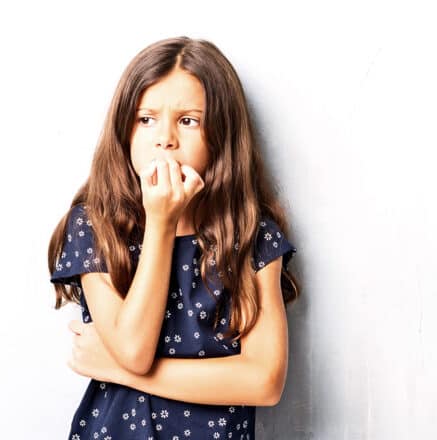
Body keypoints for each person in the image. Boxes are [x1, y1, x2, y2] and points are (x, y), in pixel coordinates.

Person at [47, 36, 301, 440]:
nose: (165, 138)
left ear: (220, 135)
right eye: (146, 119)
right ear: (125, 130)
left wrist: (115, 369)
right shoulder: (95, 226)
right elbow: (134, 348)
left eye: (188, 120)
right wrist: (161, 224)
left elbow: (264, 381)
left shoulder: (251, 234)